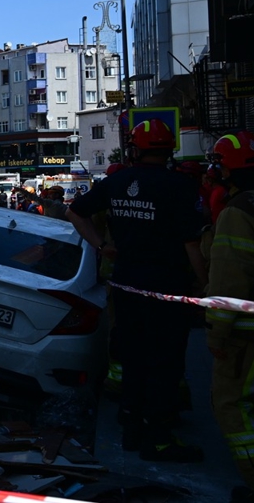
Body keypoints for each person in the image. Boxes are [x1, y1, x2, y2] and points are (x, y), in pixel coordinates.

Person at [68, 118, 206, 463]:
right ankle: (158, 439)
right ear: (170, 148)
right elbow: (191, 243)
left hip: (126, 285)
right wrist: (206, 286)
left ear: (134, 148)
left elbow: (76, 212)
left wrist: (102, 246)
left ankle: (131, 428)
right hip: (166, 289)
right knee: (165, 362)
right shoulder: (181, 186)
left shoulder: (117, 182)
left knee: (132, 357)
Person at [205, 132, 254, 502]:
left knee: (234, 404)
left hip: (252, 333)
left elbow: (229, 279)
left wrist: (217, 332)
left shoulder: (239, 211)